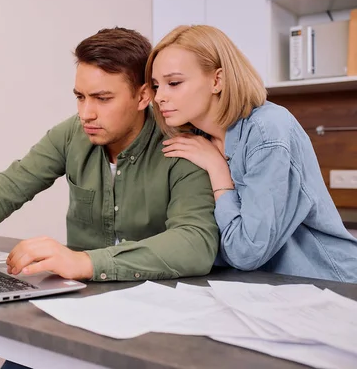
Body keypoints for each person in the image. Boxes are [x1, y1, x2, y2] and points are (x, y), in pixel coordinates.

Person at [0, 26, 220, 369]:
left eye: (102, 98)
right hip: (82, 305)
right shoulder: (72, 135)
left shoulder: (182, 143)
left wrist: (85, 262)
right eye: (80, 97)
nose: (86, 113)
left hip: (158, 316)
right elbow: (9, 187)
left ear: (144, 96)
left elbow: (195, 242)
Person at [147, 24, 357, 283]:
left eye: (174, 83)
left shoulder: (268, 130)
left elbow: (246, 252)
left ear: (217, 80)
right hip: (261, 286)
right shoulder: (196, 139)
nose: (159, 97)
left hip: (329, 284)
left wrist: (218, 170)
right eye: (157, 86)